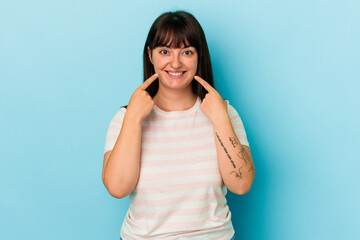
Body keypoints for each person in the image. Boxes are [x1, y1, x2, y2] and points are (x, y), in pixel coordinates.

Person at [102, 10, 255, 240]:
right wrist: (133, 119)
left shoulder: (225, 113)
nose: (175, 63)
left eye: (186, 52)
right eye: (164, 51)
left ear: (198, 56)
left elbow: (241, 184)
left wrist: (220, 119)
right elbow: (117, 188)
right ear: (150, 55)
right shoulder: (126, 117)